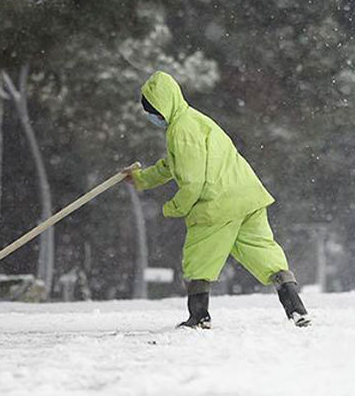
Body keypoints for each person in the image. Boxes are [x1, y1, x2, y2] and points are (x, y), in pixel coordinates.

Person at [125, 71, 310, 328]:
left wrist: (172, 208)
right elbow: (173, 165)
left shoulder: (181, 131)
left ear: (162, 107)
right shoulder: (195, 120)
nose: (151, 117)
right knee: (264, 253)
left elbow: (192, 182)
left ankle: (199, 317)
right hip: (248, 196)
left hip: (218, 203)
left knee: (197, 258)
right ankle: (296, 308)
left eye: (151, 111)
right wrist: (142, 178)